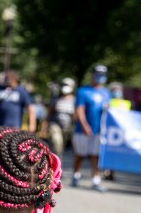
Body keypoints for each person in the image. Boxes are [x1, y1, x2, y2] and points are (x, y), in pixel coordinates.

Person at [71, 64, 111, 192]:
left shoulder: (106, 93)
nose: (100, 77)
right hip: (82, 130)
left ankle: (96, 179)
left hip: (99, 130)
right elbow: (80, 109)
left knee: (96, 155)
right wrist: (84, 125)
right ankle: (75, 176)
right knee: (80, 154)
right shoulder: (83, 91)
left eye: (102, 75)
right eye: (98, 74)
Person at [42, 77, 76, 156]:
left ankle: (58, 161)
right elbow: (50, 113)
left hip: (67, 127)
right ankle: (56, 161)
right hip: (55, 125)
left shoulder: (74, 100)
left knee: (61, 147)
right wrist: (44, 126)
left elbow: (75, 116)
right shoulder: (56, 99)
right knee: (57, 142)